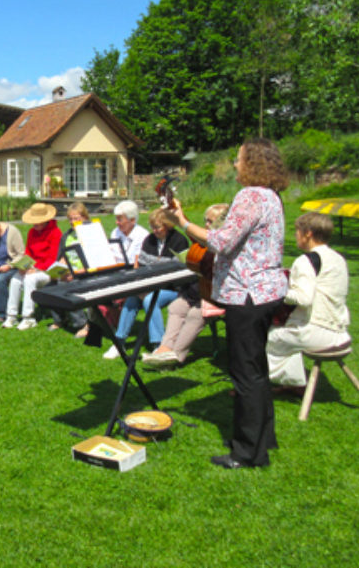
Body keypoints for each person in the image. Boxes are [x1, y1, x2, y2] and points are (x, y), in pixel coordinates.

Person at [168, 138, 289, 469]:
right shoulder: (271, 197)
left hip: (248, 295)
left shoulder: (250, 196)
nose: (235, 165)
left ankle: (247, 453)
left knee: (245, 374)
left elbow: (221, 241)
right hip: (266, 292)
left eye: (239, 159)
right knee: (257, 370)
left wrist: (182, 222)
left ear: (253, 164)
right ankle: (265, 439)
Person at [266, 212, 350, 392]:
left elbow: (304, 298)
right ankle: (293, 383)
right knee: (282, 335)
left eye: (297, 231)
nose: (295, 236)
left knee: (266, 337)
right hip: (340, 331)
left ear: (308, 233)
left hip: (317, 332)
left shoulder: (305, 261)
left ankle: (260, 384)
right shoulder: (338, 258)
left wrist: (277, 289)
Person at [143, 203, 229, 367]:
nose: (206, 225)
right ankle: (165, 347)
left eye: (211, 222)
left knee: (195, 315)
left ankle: (176, 355)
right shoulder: (205, 240)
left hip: (218, 296)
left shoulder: (226, 242)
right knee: (176, 307)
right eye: (206, 221)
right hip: (198, 291)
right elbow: (191, 232)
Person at [102, 208, 189, 360]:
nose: (154, 231)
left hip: (172, 288)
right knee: (132, 300)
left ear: (168, 226)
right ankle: (119, 341)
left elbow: (177, 274)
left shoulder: (179, 241)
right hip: (149, 285)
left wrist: (150, 287)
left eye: (158, 228)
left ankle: (159, 344)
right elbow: (141, 267)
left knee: (150, 300)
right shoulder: (149, 240)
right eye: (152, 227)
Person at [2, 203, 61, 330]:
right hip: (32, 268)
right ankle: (11, 315)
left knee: (30, 279)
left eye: (38, 222)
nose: (35, 225)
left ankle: (29, 317)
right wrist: (23, 265)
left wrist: (36, 268)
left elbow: (52, 259)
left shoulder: (55, 233)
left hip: (47, 271)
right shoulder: (31, 233)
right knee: (15, 279)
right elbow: (28, 253)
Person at [48, 202, 91, 337]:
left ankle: (82, 324)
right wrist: (59, 268)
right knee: (51, 286)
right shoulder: (67, 235)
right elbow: (60, 256)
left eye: (76, 218)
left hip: (87, 272)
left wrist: (77, 272)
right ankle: (60, 319)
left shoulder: (90, 232)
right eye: (70, 219)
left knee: (67, 287)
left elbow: (94, 258)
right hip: (69, 271)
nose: (73, 222)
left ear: (84, 217)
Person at [108, 200, 149, 266]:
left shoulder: (142, 235)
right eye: (116, 219)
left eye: (120, 219)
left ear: (132, 220)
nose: (117, 222)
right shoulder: (115, 232)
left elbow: (138, 261)